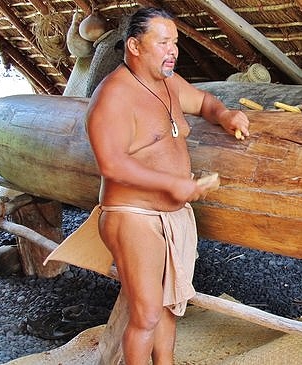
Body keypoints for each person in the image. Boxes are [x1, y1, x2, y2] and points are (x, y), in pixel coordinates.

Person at [85, 7, 250, 364]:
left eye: (174, 42)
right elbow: (111, 164)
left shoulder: (168, 82)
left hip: (172, 216)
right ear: (134, 46)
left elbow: (204, 101)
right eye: (163, 42)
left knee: (170, 307)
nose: (172, 50)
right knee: (145, 314)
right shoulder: (113, 96)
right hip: (133, 216)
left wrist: (224, 115)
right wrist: (171, 185)